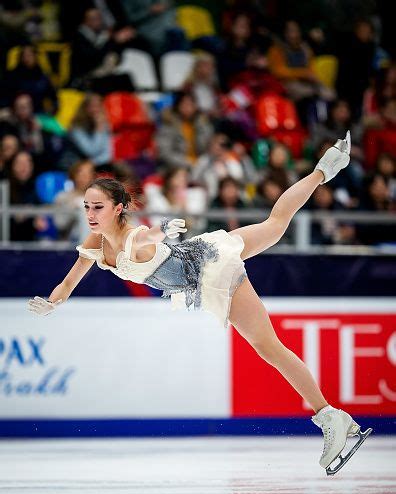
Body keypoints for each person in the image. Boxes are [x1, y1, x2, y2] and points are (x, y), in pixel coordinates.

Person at [28, 132, 372, 475]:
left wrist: (163, 228)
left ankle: (329, 417)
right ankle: (325, 169)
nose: (90, 213)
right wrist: (54, 301)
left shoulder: (133, 237)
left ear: (118, 209)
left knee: (268, 346)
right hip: (200, 252)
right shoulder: (95, 240)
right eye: (87, 206)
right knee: (276, 224)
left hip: (210, 270)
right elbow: (71, 279)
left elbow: (149, 234)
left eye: (97, 207)